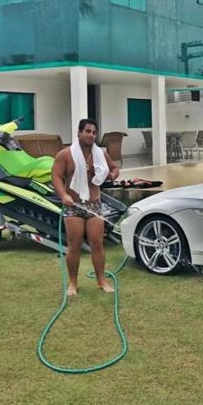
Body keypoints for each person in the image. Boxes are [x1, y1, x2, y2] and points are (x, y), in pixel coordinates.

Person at [51, 119, 120, 296]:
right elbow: (56, 176)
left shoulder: (101, 154)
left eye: (94, 132)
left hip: (94, 204)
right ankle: (73, 283)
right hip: (73, 205)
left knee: (97, 244)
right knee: (74, 245)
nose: (91, 135)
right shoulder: (65, 154)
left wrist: (112, 175)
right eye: (88, 131)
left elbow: (114, 168)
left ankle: (101, 281)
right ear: (79, 133)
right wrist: (63, 195)